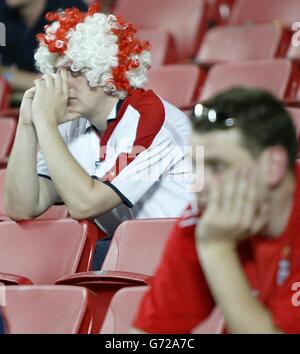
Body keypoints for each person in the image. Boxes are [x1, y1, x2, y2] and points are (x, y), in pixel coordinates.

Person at [4, 4, 193, 269]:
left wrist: (45, 122)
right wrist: (27, 124)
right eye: (56, 72)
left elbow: (86, 204)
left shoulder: (150, 118)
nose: (61, 84)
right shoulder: (71, 123)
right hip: (130, 250)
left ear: (107, 73)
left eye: (74, 71)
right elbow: (21, 206)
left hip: (184, 250)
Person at [132, 87, 300, 334]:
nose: (199, 184)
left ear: (273, 165)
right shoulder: (202, 219)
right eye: (196, 165)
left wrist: (216, 249)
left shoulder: (211, 232)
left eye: (217, 166)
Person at [0, 0, 87, 92]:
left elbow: (73, 82)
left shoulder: (71, 9)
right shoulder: (3, 12)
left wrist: (15, 78)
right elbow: (4, 73)